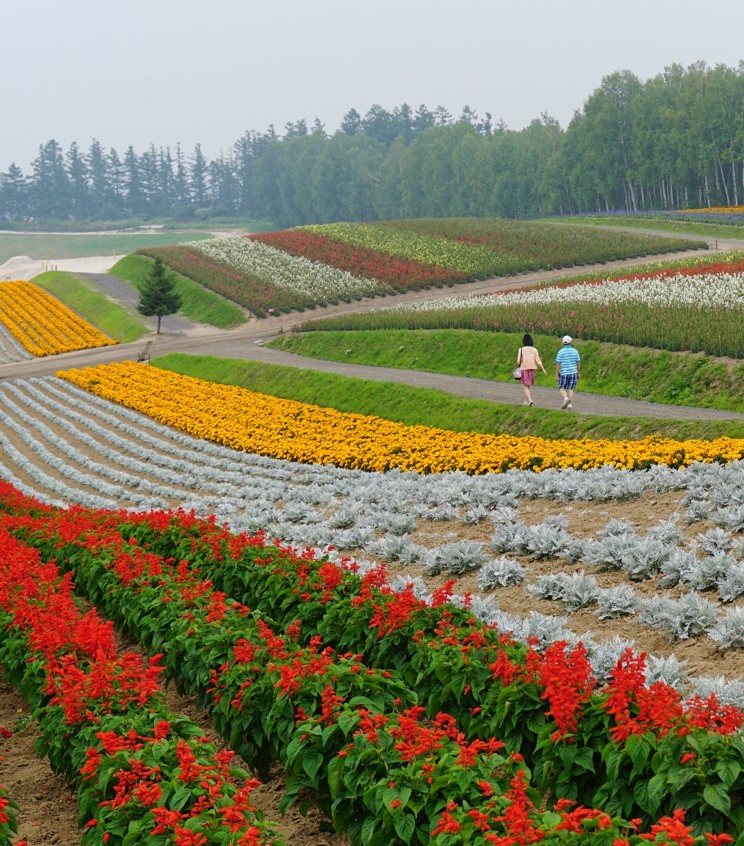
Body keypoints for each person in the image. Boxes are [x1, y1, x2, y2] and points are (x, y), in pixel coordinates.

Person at [516, 333, 546, 406]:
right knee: (528, 385)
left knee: (525, 385)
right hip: (532, 369)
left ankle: (530, 399)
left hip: (524, 368)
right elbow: (538, 360)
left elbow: (518, 360)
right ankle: (525, 401)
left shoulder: (521, 349)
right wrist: (543, 369)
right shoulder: (534, 349)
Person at [555, 335, 581, 410]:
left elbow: (558, 364)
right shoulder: (575, 351)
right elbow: (578, 363)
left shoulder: (561, 351)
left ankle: (566, 398)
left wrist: (556, 374)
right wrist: (578, 373)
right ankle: (570, 406)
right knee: (571, 388)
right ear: (570, 342)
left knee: (561, 387)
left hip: (564, 372)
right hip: (573, 372)